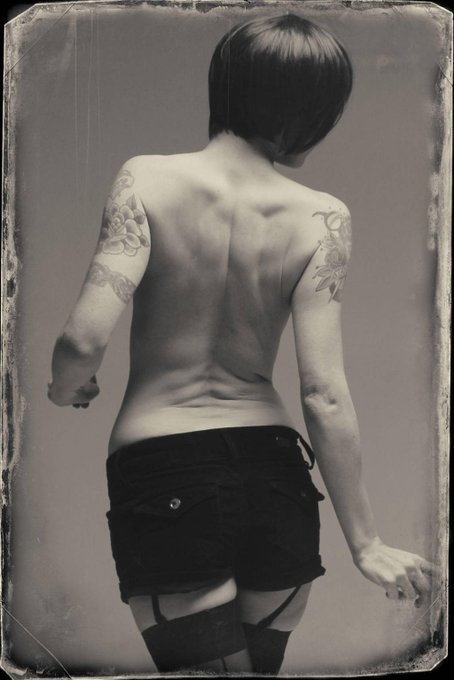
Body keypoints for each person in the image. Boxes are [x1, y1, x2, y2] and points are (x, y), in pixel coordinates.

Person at [48, 13, 437, 675]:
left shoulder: (146, 179)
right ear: (309, 114)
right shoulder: (322, 218)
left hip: (167, 472)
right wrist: (366, 543)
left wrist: (68, 387)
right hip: (276, 476)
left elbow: (83, 338)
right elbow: (324, 394)